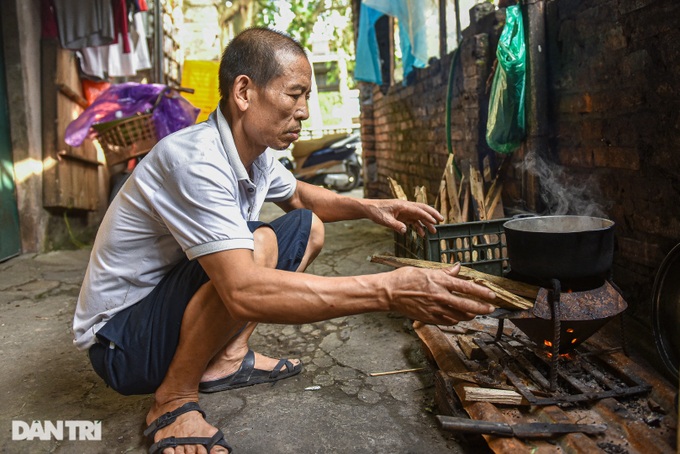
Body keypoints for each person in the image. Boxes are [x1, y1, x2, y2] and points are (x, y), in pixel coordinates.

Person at [73, 27, 496, 454]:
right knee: (256, 246)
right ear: (244, 91)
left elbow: (300, 196)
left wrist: (372, 207)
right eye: (295, 95)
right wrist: (390, 289)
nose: (305, 112)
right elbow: (241, 291)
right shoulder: (194, 159)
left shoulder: (253, 153)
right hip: (122, 342)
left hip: (160, 317)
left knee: (306, 225)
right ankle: (173, 399)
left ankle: (227, 360)